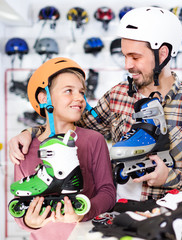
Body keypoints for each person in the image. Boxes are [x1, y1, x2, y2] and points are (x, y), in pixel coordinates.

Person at [9, 7, 182, 201]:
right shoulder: (117, 95)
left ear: (162, 53)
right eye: (125, 56)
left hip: (169, 211)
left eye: (135, 57)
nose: (128, 65)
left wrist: (171, 176)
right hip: (118, 210)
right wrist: (32, 132)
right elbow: (74, 128)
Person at [11, 57, 116, 239]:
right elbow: (18, 201)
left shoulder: (93, 140)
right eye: (68, 91)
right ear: (44, 98)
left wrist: (83, 213)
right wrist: (29, 221)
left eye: (81, 92)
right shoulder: (24, 146)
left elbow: (107, 192)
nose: (79, 98)